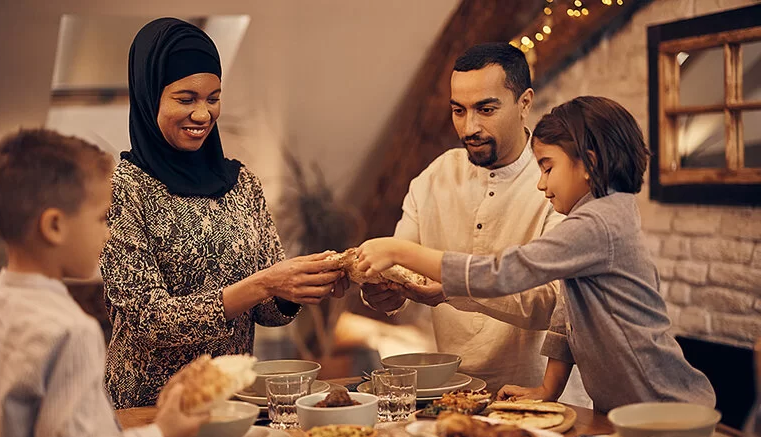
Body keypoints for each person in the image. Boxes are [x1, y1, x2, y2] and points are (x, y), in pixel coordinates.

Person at [356, 96, 716, 412]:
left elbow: (505, 271)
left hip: (663, 406)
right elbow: (566, 314)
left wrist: (400, 250)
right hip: (620, 409)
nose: (541, 183)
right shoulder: (596, 217)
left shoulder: (598, 223)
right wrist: (549, 389)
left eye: (547, 167)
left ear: (588, 164)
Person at [101, 18, 347, 409]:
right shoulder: (122, 190)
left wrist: (294, 289)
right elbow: (150, 320)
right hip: (151, 409)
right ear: (149, 97)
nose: (202, 115)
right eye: (186, 99)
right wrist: (264, 284)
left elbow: (267, 310)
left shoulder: (242, 182)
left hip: (232, 400)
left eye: (213, 98)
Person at [0, 129, 208, 437]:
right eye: (102, 219)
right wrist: (163, 434)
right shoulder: (70, 330)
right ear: (55, 226)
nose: (108, 234)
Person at [361, 42, 574, 395]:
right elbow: (402, 264)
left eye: (485, 109)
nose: (469, 127)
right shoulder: (435, 176)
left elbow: (554, 306)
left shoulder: (557, 183)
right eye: (458, 111)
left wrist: (456, 289)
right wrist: (384, 291)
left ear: (524, 103)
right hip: (451, 392)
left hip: (540, 395)